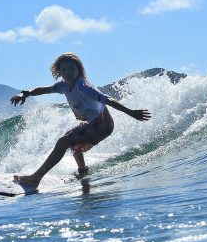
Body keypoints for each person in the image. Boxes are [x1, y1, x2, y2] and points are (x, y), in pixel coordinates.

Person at [10, 52, 151, 189]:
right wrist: (25, 93)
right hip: (93, 123)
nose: (68, 72)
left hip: (102, 124)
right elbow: (43, 89)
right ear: (59, 71)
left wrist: (131, 112)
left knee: (63, 141)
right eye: (64, 69)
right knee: (71, 140)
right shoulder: (63, 85)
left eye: (72, 68)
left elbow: (108, 99)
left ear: (79, 70)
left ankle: (36, 178)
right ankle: (82, 173)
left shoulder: (84, 87)